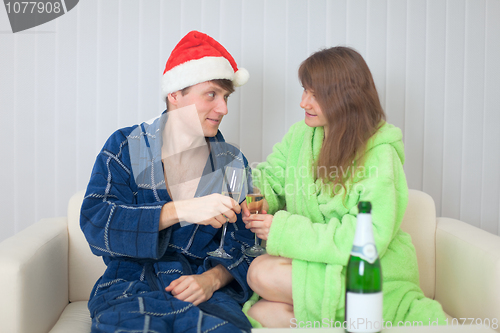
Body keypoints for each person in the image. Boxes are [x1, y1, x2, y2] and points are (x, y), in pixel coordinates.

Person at [242, 46, 447, 328]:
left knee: (261, 274)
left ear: (345, 98)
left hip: (367, 273)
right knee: (259, 314)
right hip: (322, 264)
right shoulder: (302, 135)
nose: (304, 103)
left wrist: (282, 230)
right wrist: (258, 195)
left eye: (316, 95)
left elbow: (368, 239)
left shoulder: (379, 154)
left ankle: (369, 311)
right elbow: (273, 176)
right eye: (304, 91)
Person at [80, 31, 256, 333]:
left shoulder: (232, 163)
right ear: (175, 94)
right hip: (130, 287)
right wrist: (182, 210)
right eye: (211, 94)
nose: (223, 109)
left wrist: (210, 280)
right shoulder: (127, 145)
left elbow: (246, 243)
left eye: (226, 97)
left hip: (205, 294)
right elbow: (96, 222)